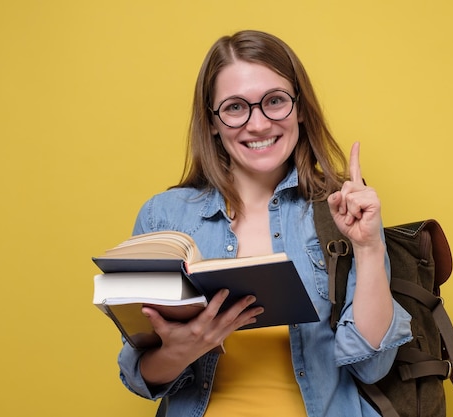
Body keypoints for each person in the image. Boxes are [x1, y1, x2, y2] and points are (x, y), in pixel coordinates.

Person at [117, 30, 412, 417]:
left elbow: (372, 367)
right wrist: (180, 350)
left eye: (274, 101)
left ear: (300, 108)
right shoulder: (164, 217)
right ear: (212, 122)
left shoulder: (340, 209)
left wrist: (369, 246)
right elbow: (141, 377)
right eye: (236, 107)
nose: (258, 125)